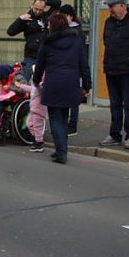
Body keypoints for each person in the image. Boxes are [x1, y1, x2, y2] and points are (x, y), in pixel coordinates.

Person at [33, 12, 91, 164]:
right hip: (71, 83)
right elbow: (84, 64)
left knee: (55, 119)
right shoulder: (77, 41)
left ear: (52, 26)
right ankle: (61, 149)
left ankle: (61, 152)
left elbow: (40, 65)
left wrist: (36, 80)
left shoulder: (47, 43)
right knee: (64, 117)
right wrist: (87, 84)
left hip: (53, 83)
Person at [100, 0, 129, 150]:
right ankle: (114, 134)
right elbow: (106, 41)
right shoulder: (109, 22)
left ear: (122, 6)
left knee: (128, 104)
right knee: (115, 104)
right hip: (111, 68)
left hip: (127, 70)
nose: (110, 10)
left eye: (112, 7)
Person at [6, 0, 61, 80]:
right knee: (25, 79)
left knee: (46, 80)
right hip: (31, 55)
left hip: (46, 55)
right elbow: (10, 32)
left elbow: (58, 3)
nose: (38, 12)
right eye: (36, 9)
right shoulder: (26, 19)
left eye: (41, 10)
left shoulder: (46, 16)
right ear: (32, 5)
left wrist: (45, 0)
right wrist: (20, 19)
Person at [59, 4, 85, 135]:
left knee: (74, 99)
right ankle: (63, 125)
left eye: (65, 16)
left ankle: (72, 125)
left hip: (75, 68)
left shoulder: (77, 31)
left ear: (70, 16)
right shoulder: (61, 29)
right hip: (66, 68)